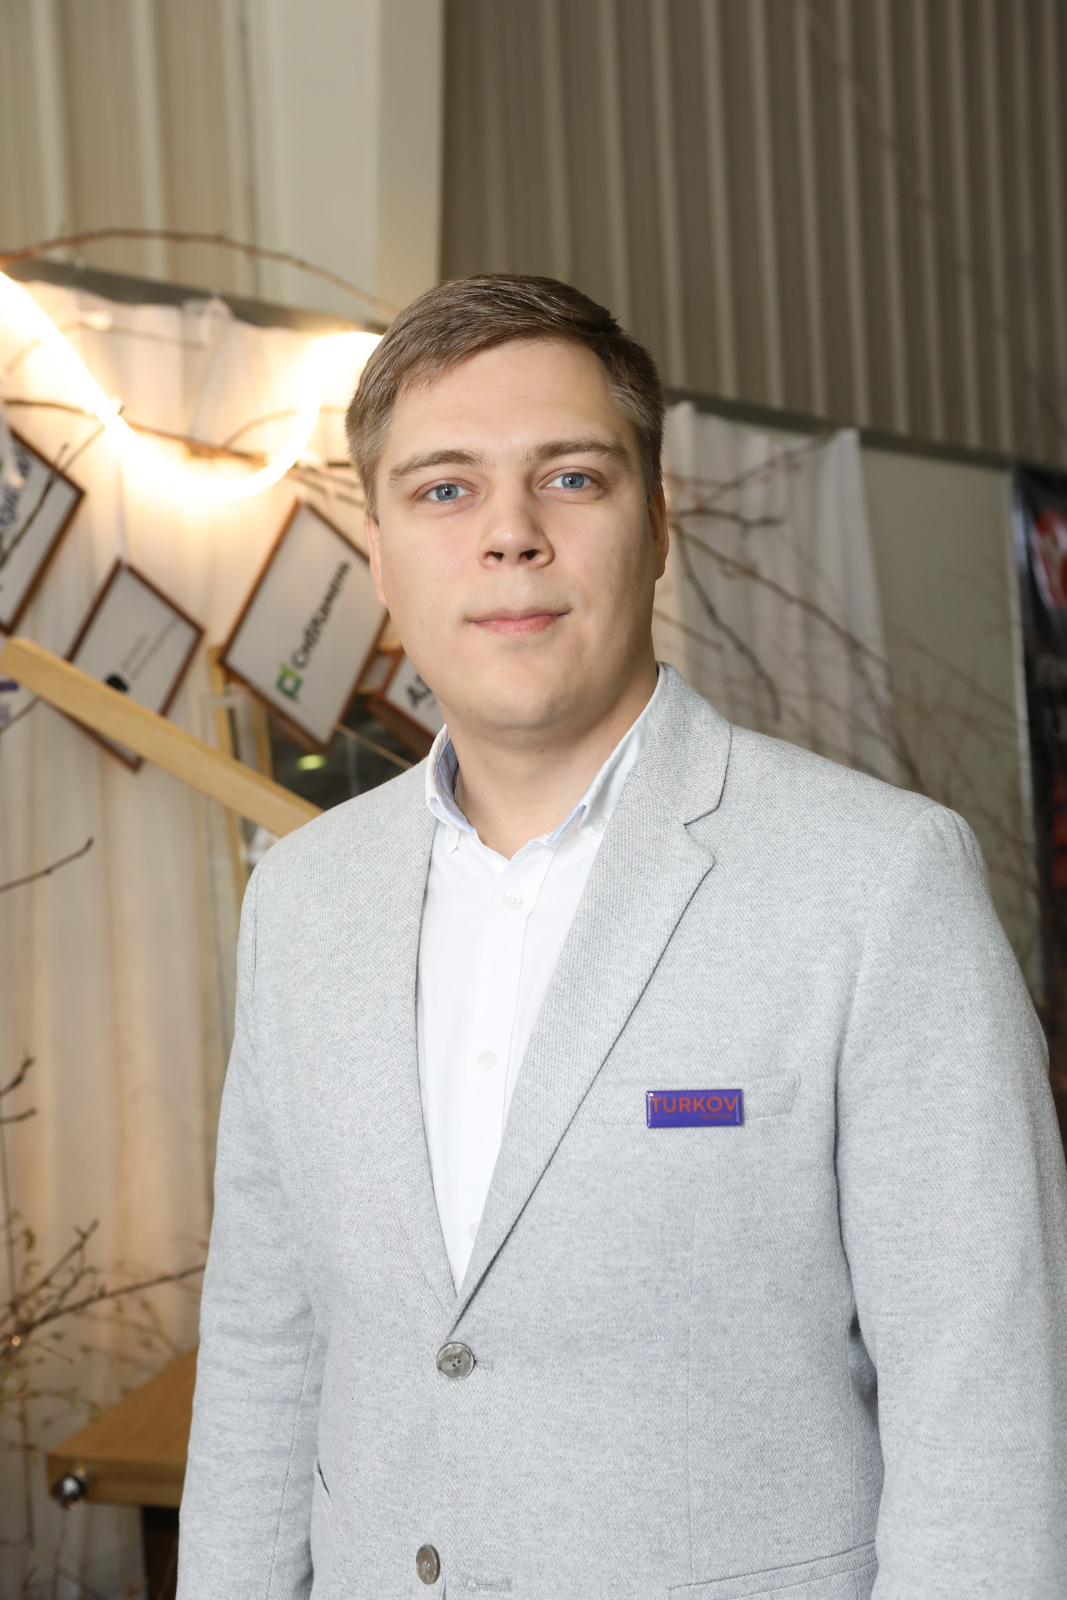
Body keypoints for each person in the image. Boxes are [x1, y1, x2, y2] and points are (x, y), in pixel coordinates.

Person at [178, 275, 1067, 1600]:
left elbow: (984, 1408)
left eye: (572, 478)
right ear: (379, 552)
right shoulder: (301, 905)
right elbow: (264, 1350)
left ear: (655, 525)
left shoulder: (877, 883)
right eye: (444, 489)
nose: (510, 536)